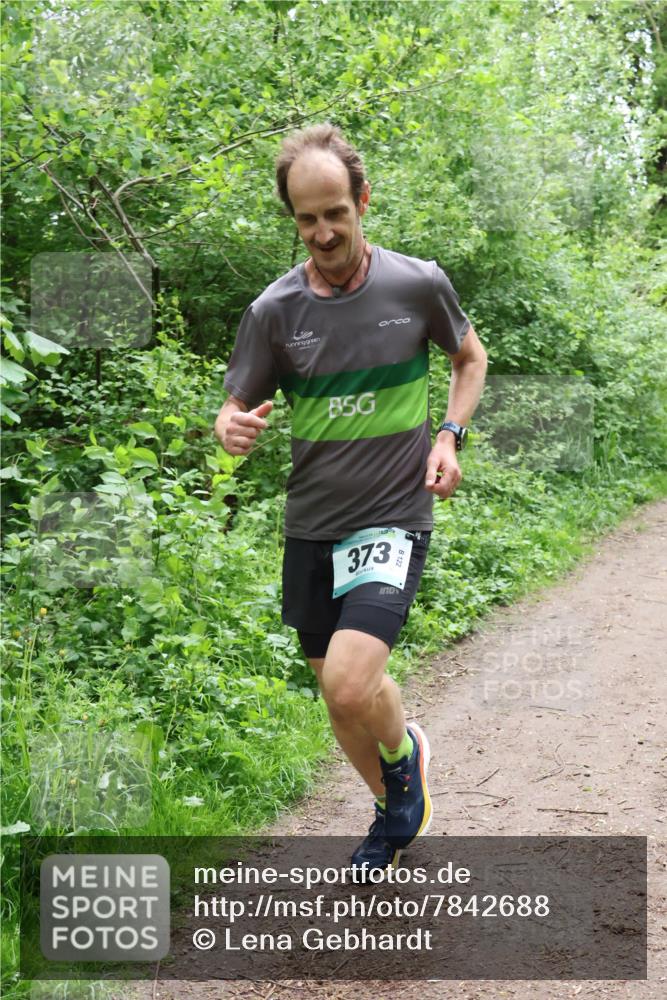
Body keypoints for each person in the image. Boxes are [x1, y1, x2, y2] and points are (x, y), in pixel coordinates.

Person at [214, 123, 487, 875]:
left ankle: (399, 784)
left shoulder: (415, 284)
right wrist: (230, 425)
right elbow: (236, 402)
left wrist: (447, 436)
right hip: (312, 522)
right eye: (306, 218)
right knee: (338, 697)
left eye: (335, 211)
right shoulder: (274, 311)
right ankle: (396, 799)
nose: (323, 231)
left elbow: (469, 357)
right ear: (292, 219)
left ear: (361, 201)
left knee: (349, 677)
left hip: (392, 514)